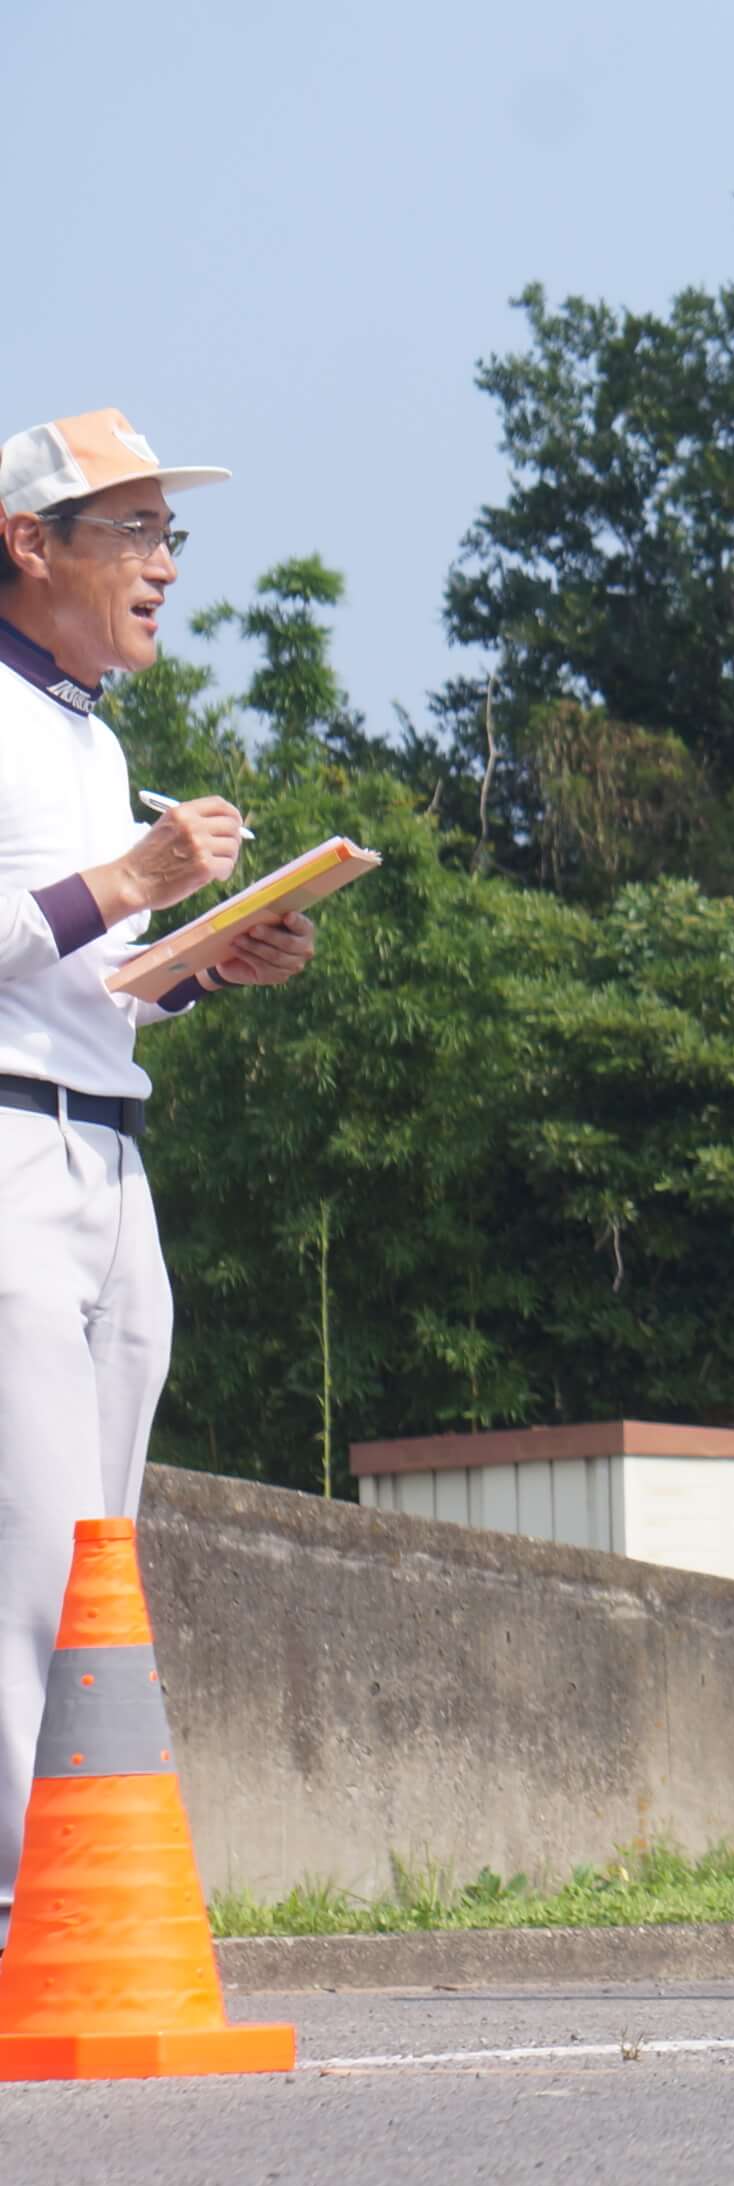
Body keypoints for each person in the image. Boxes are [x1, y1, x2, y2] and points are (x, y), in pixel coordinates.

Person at [0, 409, 317, 1946]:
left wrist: (206, 959)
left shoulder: (91, 734)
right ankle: (29, 1923)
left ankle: (71, 1907)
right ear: (30, 543)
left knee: (98, 1560)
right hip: (7, 1150)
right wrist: (132, 878)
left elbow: (98, 978)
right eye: (135, 532)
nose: (167, 567)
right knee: (38, 1564)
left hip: (106, 1154)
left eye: (170, 537)